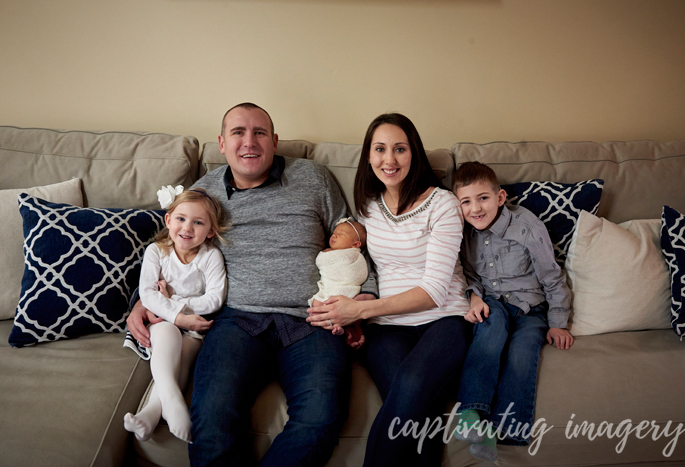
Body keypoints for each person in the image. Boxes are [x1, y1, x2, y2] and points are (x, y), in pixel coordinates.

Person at [126, 103, 377, 467]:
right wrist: (141, 299)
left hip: (312, 318)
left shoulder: (313, 177)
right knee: (212, 421)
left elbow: (352, 239)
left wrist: (365, 297)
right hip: (235, 321)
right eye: (238, 133)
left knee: (320, 419)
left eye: (260, 133)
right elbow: (170, 246)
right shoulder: (205, 191)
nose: (250, 142)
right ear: (222, 143)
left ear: (274, 141)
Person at [307, 113, 472, 466]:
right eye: (380, 149)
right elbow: (356, 268)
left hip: (444, 320)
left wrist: (361, 311)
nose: (389, 159)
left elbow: (434, 291)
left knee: (412, 386)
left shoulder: (443, 204)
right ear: (368, 156)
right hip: (387, 329)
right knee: (414, 408)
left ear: (414, 154)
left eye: (400, 149)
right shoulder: (367, 209)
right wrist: (347, 308)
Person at [452, 161, 574, 462]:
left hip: (531, 309)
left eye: (483, 198)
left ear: (500, 197)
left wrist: (558, 322)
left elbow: (551, 275)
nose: (475, 209)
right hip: (493, 302)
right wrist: (474, 298)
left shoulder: (527, 226)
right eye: (466, 201)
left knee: (522, 351)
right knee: (489, 332)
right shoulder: (463, 234)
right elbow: (470, 276)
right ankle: (470, 412)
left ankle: (503, 432)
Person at [124, 188, 228, 443]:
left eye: (198, 222)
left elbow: (215, 298)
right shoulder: (157, 252)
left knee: (180, 361)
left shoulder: (210, 256)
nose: (187, 227)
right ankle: (172, 402)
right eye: (181, 219)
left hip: (194, 328)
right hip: (163, 323)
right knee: (168, 333)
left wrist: (172, 301)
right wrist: (177, 315)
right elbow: (148, 295)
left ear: (210, 231)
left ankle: (149, 415)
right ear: (168, 220)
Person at [309, 218, 368, 348]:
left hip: (345, 289)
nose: (334, 235)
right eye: (334, 233)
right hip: (334, 287)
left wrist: (325, 254)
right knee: (318, 305)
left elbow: (321, 261)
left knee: (323, 304)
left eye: (341, 234)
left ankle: (339, 326)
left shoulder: (352, 255)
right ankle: (343, 328)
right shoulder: (340, 253)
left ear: (356, 245)